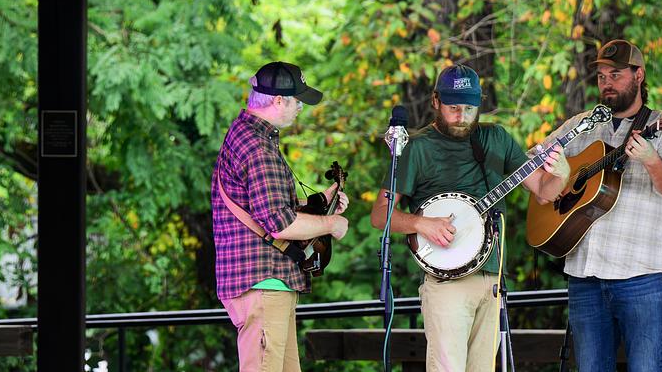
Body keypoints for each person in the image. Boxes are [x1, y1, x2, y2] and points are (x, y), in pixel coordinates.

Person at [370, 64, 569, 372]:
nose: (461, 116)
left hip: (492, 279)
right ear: (435, 101)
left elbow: (544, 190)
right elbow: (380, 215)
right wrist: (420, 223)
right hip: (445, 283)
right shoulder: (417, 148)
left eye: (468, 108)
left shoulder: (496, 138)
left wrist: (561, 173)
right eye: (453, 107)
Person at [548, 39, 662, 372]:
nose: (606, 83)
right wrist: (555, 182)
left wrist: (650, 159)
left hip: (641, 274)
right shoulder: (581, 124)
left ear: (638, 75)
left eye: (615, 74)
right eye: (601, 76)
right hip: (584, 273)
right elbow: (533, 162)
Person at [211, 61, 350, 372]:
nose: (300, 107)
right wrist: (332, 224)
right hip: (263, 282)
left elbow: (265, 205)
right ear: (277, 101)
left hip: (266, 282)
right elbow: (279, 223)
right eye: (297, 100)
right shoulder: (258, 148)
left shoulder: (247, 136)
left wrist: (322, 200)